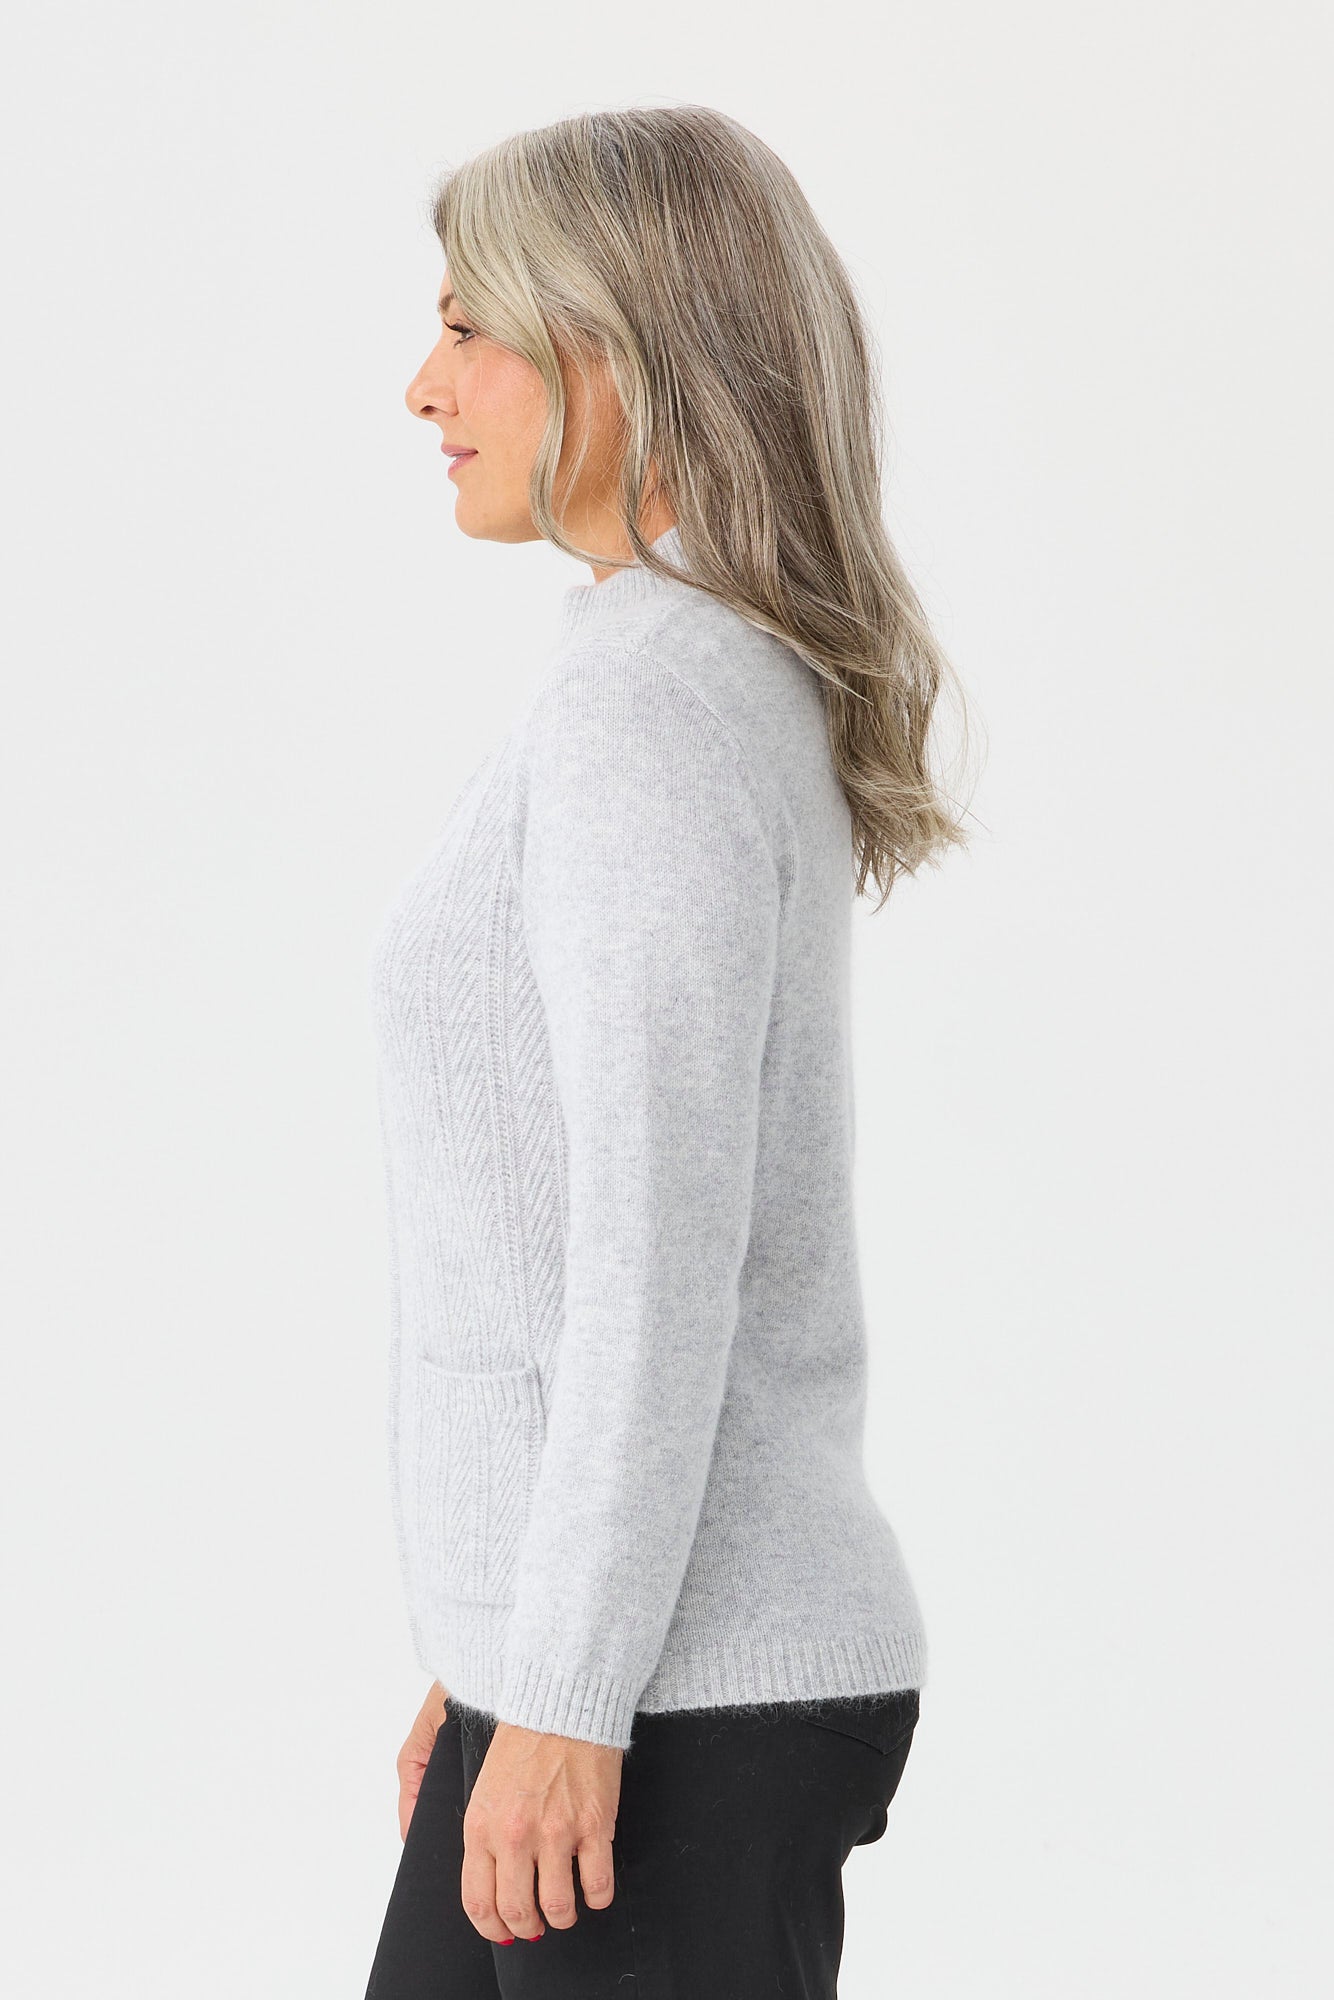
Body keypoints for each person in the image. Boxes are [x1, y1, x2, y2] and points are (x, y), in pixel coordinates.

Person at [364, 102, 972, 2000]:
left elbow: (652, 1249)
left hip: (674, 1699)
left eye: (467, 328)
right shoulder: (660, 672)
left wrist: (558, 1685)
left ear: (612, 349)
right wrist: (496, 1649)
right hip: (607, 1672)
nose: (422, 386)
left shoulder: (652, 700)